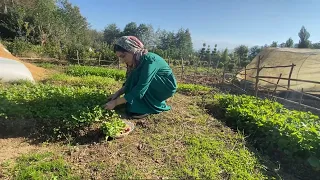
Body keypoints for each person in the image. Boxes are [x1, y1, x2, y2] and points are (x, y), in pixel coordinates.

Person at [104, 36, 177, 119]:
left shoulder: (149, 60)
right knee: (134, 75)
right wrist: (117, 94)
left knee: (138, 77)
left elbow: (141, 87)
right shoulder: (135, 62)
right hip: (152, 85)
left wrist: (116, 102)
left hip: (165, 87)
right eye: (120, 57)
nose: (122, 60)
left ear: (132, 50)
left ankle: (146, 108)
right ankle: (139, 103)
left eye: (123, 56)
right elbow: (129, 82)